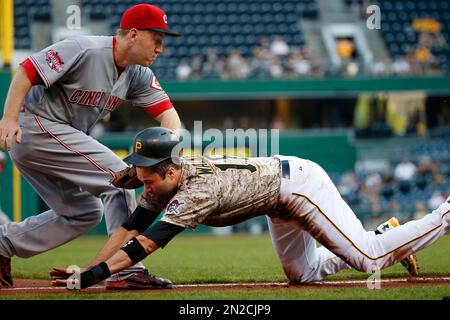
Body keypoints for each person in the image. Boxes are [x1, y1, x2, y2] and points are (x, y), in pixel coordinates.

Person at [48, 128, 449, 290]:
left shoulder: (196, 190)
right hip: (276, 200)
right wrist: (87, 268)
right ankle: (388, 233)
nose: (141, 181)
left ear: (170, 170)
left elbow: (146, 244)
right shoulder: (167, 180)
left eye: (147, 174)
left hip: (298, 186)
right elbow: (130, 228)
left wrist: (94, 277)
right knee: (303, 275)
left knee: (367, 259)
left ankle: (442, 216)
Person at [0, 4, 182, 289]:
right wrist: (9, 117)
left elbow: (169, 116)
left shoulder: (138, 74)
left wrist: (169, 151)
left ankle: (3, 243)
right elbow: (27, 70)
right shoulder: (84, 49)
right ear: (133, 35)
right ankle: (126, 270)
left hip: (55, 139)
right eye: (156, 39)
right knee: (120, 180)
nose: (160, 48)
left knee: (83, 212)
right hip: (35, 127)